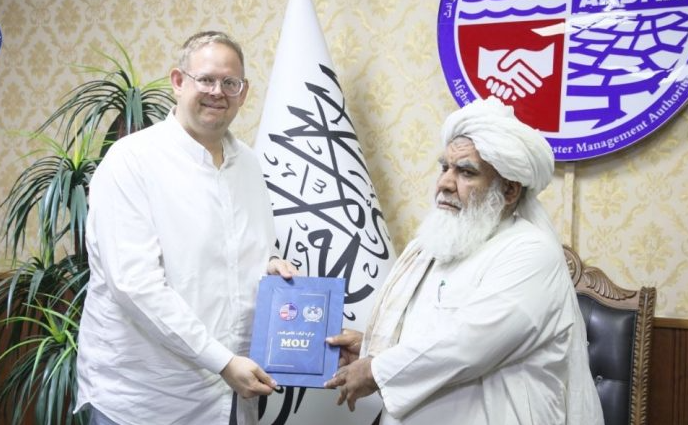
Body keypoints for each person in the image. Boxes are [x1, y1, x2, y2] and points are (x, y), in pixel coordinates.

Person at [324, 97, 604, 425]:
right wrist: (370, 348)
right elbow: (428, 331)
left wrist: (376, 369)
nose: (444, 183)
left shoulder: (531, 252)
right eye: (445, 167)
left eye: (466, 172)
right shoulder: (436, 247)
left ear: (509, 190)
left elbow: (468, 344)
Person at [75, 31, 297, 425]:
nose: (218, 92)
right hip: (146, 402)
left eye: (230, 83)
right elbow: (135, 285)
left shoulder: (249, 165)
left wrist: (269, 267)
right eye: (206, 79)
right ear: (178, 82)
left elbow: (237, 253)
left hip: (229, 399)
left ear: (244, 92)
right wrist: (222, 360)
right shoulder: (131, 161)